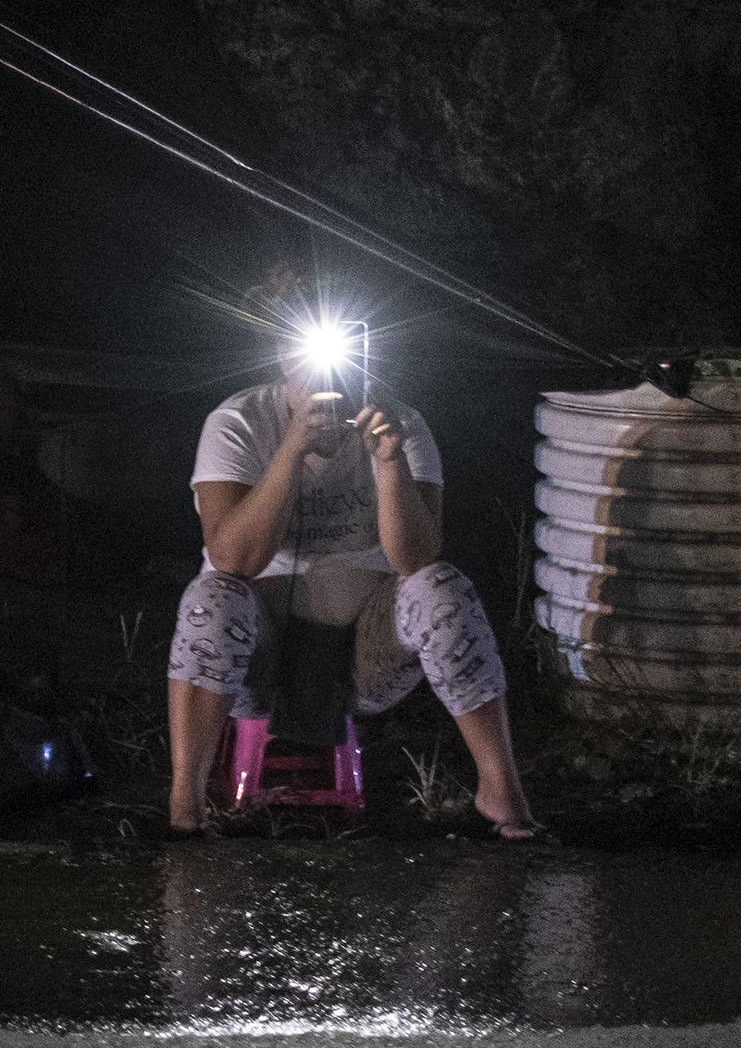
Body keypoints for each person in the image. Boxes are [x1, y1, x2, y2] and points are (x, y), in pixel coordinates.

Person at [163, 302, 538, 838]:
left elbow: (415, 558)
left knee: (442, 586)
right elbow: (234, 558)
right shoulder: (238, 421)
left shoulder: (402, 424)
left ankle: (503, 793)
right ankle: (186, 807)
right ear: (284, 357)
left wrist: (389, 462)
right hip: (255, 660)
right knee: (213, 596)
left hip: (366, 658)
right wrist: (291, 450)